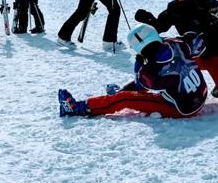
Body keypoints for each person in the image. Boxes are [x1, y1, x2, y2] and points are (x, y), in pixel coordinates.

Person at [58, 24, 208, 118]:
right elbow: (199, 44)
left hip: (181, 109)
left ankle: (77, 108)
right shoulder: (178, 44)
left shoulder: (155, 69)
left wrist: (140, 64)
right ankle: (118, 93)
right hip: (199, 95)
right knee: (133, 91)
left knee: (125, 99)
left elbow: (143, 84)